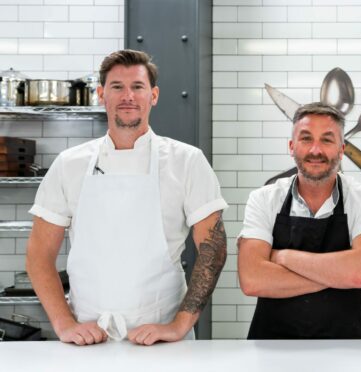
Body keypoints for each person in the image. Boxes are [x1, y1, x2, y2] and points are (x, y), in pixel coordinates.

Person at [25, 49, 228, 346]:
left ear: (154, 95)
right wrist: (64, 323)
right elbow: (38, 255)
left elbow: (214, 251)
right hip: (89, 337)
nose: (127, 96)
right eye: (117, 87)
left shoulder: (186, 161)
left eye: (137, 87)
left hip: (163, 339)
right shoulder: (70, 164)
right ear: (100, 95)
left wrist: (178, 325)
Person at [237, 102, 361, 339]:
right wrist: (338, 275)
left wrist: (283, 257)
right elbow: (252, 280)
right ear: (291, 146)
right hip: (272, 347)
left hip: (347, 346)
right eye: (306, 139)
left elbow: (360, 272)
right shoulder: (263, 198)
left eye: (327, 140)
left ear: (341, 149)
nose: (315, 150)